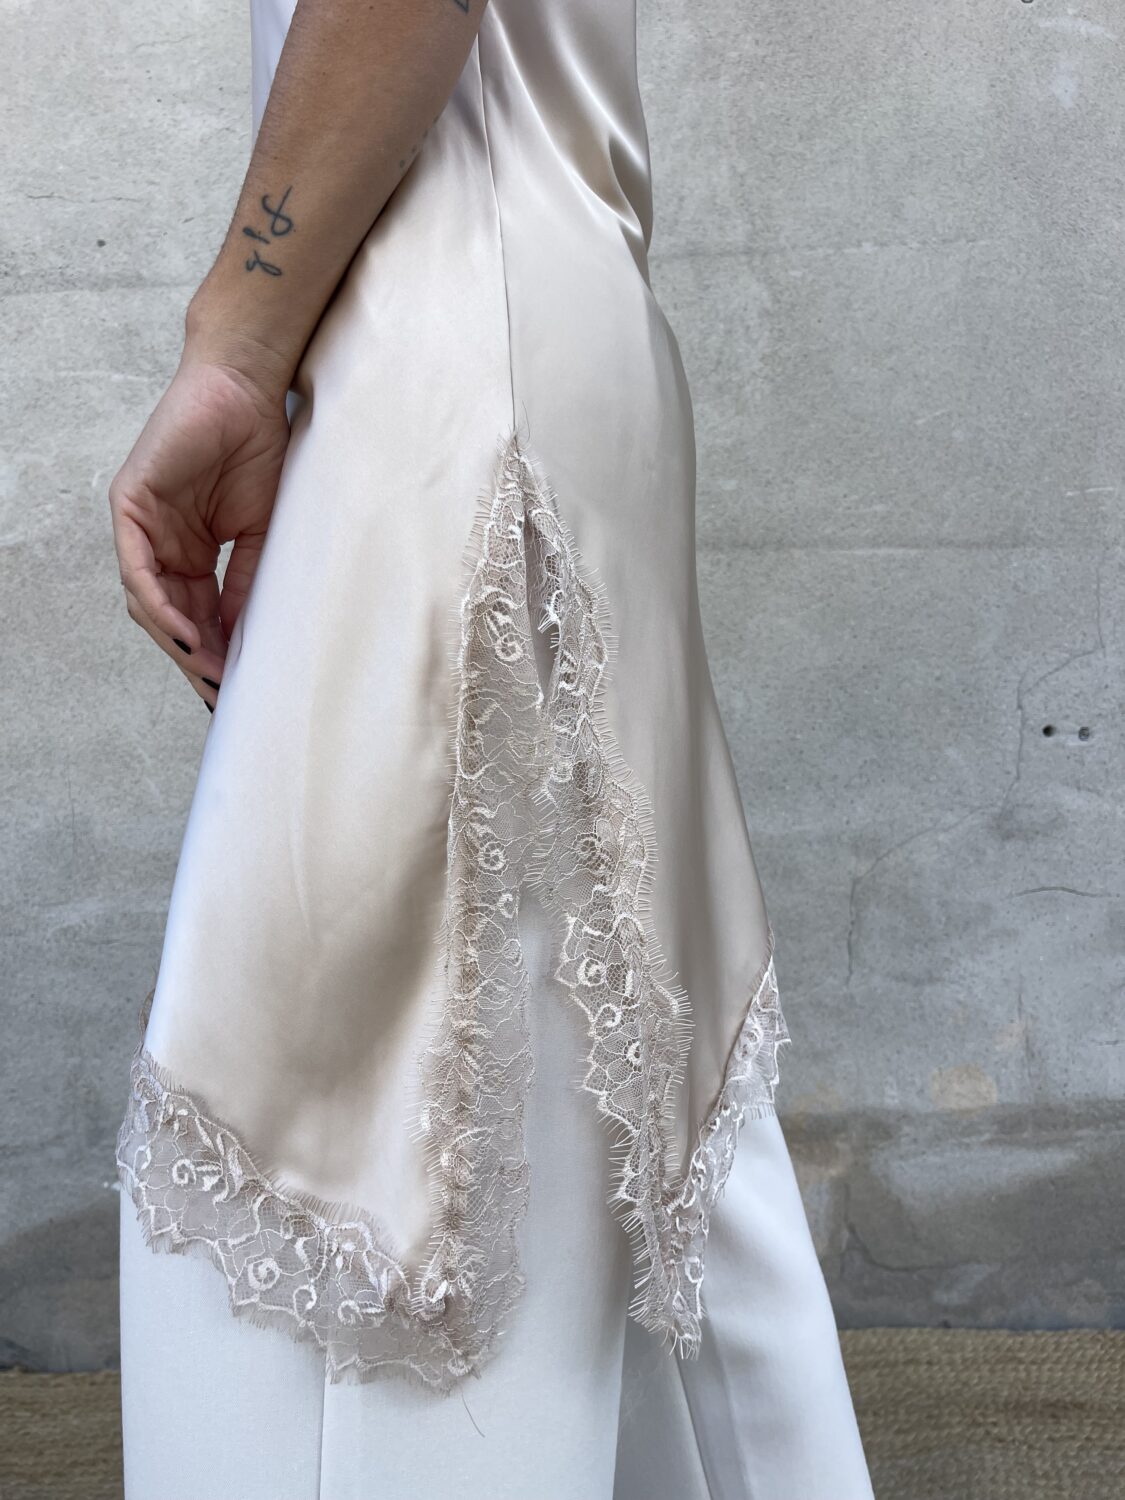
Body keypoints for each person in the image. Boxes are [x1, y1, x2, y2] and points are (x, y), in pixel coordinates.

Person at [109, 1, 875, 1495]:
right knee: (594, 1094)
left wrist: (235, 346)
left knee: (368, 1135)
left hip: (444, 363)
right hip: (524, 324)